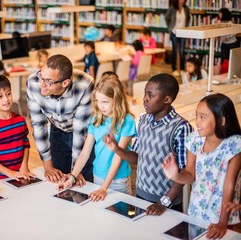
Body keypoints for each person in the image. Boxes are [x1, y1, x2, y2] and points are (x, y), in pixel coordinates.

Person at [103, 73, 193, 215]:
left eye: (150, 95)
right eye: (145, 93)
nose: (144, 98)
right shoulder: (143, 120)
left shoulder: (181, 127)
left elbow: (184, 173)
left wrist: (164, 202)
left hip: (167, 201)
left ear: (167, 99)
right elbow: (137, 157)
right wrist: (116, 149)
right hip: (141, 194)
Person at [161, 93, 240, 239]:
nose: (197, 121)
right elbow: (190, 175)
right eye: (196, 115)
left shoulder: (234, 144)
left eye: (202, 117)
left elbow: (230, 185)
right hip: (196, 210)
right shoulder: (195, 139)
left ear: (221, 121)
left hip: (221, 215)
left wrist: (222, 222)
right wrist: (176, 175)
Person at [57, 75, 136, 201]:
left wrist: (104, 188)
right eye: (98, 101)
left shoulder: (127, 121)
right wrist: (72, 177)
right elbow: (84, 154)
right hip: (98, 176)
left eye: (105, 102)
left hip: (118, 180)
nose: (101, 106)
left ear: (117, 99)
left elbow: (118, 157)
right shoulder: (96, 120)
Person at [27, 54, 94, 184]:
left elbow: (80, 131)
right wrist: (47, 166)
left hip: (84, 135)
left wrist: (75, 172)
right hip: (57, 131)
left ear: (65, 83)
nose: (42, 84)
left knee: (83, 181)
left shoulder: (84, 84)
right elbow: (38, 125)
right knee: (57, 179)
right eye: (41, 76)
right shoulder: (33, 82)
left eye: (48, 81)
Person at [0, 75, 32, 181]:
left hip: (21, 174)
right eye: (0, 96)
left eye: (8, 94)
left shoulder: (20, 121)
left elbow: (26, 144)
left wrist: (24, 166)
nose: (6, 99)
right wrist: (10, 173)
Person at [165, 0, 191, 77]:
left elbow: (188, 18)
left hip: (183, 33)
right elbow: (167, 17)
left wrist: (186, 27)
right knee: (175, 51)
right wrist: (170, 27)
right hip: (174, 32)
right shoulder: (173, 8)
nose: (182, 0)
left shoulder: (186, 8)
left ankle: (183, 69)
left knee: (182, 51)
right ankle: (174, 69)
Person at [217, 8, 241, 74]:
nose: (219, 14)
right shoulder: (219, 22)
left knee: (232, 60)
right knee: (223, 59)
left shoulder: (230, 22)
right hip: (224, 44)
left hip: (232, 43)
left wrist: (227, 37)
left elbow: (234, 32)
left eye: (220, 13)